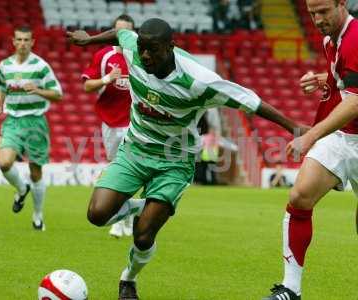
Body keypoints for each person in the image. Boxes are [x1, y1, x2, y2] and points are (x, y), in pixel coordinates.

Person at [67, 18, 306, 300]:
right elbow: (121, 34)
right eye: (142, 48)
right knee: (96, 215)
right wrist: (89, 39)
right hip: (135, 150)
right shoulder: (134, 50)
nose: (145, 56)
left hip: (174, 161)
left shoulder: (198, 81)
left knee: (143, 235)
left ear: (170, 47)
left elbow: (249, 100)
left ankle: (128, 279)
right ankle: (138, 207)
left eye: (153, 50)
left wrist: (295, 128)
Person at [263, 1, 358, 299]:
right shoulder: (332, 37)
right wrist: (323, 80)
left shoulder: (356, 37)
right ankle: (290, 289)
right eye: (312, 13)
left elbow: (355, 101)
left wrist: (310, 136)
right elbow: (346, 82)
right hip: (344, 138)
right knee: (300, 196)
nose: (317, 19)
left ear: (341, 3)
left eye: (324, 11)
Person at [0, 26, 63, 231]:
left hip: (35, 122)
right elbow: (0, 86)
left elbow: (58, 94)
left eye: (26, 40)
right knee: (5, 163)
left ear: (32, 42)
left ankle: (38, 214)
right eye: (19, 39)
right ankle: (21, 189)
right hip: (13, 121)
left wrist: (39, 90)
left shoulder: (41, 66)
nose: (22, 43)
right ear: (13, 41)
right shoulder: (4, 65)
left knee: (36, 173)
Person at [81, 14, 138, 239]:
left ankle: (123, 221)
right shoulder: (104, 56)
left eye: (127, 31)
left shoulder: (141, 57)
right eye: (118, 30)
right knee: (116, 168)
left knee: (129, 169)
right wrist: (107, 79)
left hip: (134, 124)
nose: (122, 35)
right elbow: (87, 86)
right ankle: (126, 218)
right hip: (110, 123)